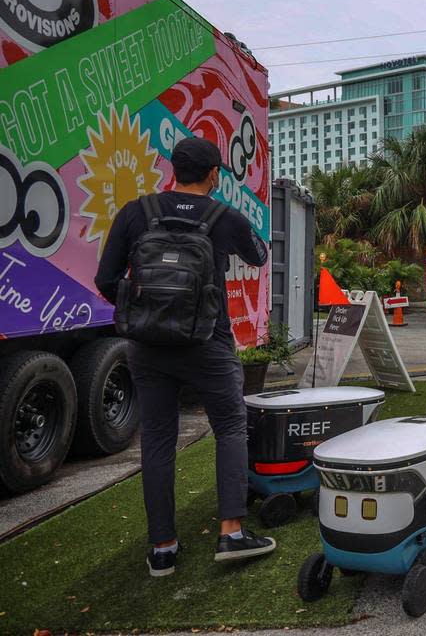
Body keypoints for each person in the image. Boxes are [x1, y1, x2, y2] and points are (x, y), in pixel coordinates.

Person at [94, 136, 275, 577]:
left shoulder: (138, 212)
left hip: (148, 347)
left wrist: (146, 311)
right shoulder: (222, 215)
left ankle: (162, 548)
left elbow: (105, 279)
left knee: (157, 437)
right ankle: (231, 532)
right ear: (214, 173)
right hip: (207, 343)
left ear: (172, 170)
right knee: (231, 426)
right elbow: (259, 254)